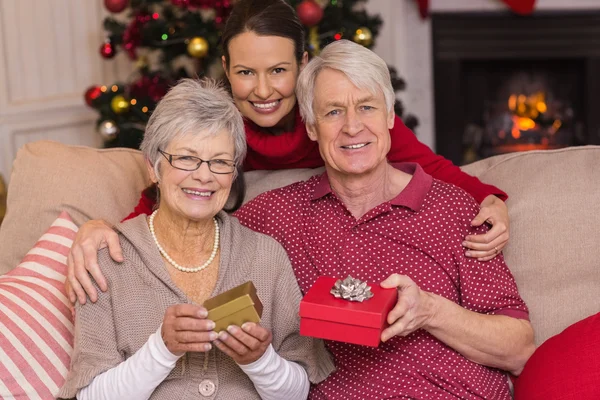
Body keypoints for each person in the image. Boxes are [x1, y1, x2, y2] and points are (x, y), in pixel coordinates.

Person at [67, 0, 511, 305]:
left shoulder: (338, 121)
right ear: (225, 69)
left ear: (302, 62)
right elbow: (166, 193)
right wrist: (102, 229)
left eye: (279, 70)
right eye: (245, 72)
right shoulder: (220, 130)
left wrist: (492, 201)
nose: (263, 91)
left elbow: (432, 168)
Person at [236, 40, 535, 399]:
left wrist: (429, 311)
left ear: (390, 116)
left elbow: (519, 350)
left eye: (366, 107)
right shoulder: (278, 214)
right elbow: (195, 243)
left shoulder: (452, 209)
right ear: (312, 127)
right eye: (333, 112)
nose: (352, 126)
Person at [58, 79, 334, 400]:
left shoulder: (265, 255)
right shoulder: (106, 259)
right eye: (187, 158)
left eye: (219, 162)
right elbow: (91, 396)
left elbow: (299, 392)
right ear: (153, 168)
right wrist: (161, 350)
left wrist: (260, 361)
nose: (204, 176)